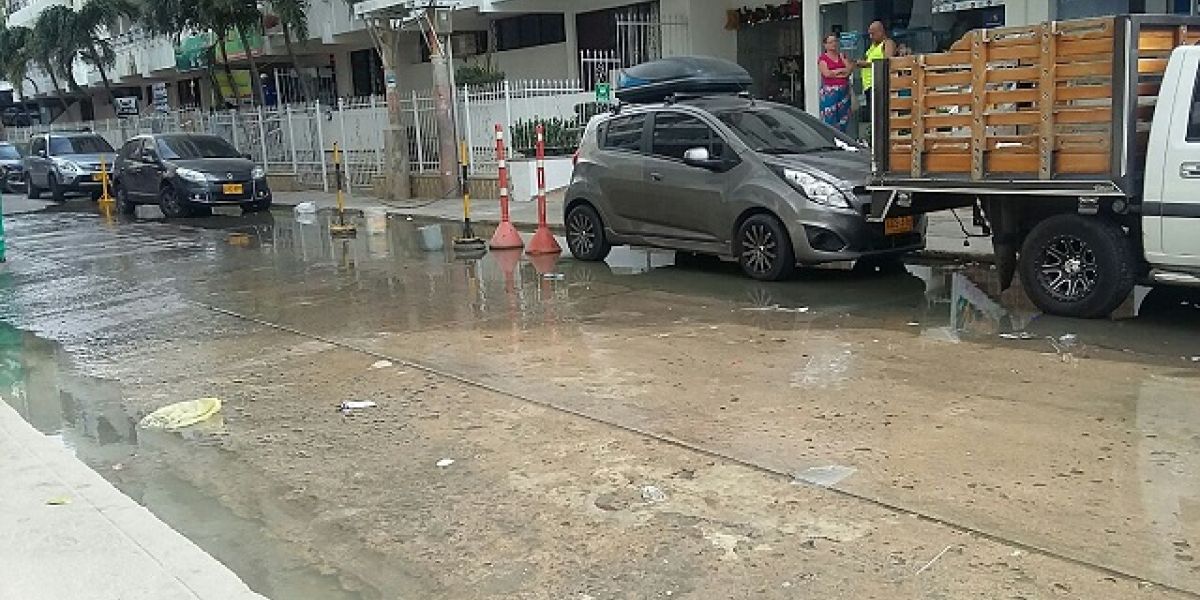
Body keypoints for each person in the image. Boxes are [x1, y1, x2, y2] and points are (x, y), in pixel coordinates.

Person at [857, 20, 896, 122]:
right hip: (868, 86)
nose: (871, 37)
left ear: (880, 32)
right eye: (869, 34)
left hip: (879, 84)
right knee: (873, 116)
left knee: (879, 116)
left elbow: (887, 61)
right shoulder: (872, 47)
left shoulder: (887, 43)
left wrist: (866, 64)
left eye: (873, 34)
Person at [817, 34, 853, 133]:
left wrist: (835, 72)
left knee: (844, 117)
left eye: (835, 41)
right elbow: (827, 74)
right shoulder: (823, 59)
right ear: (825, 45)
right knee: (830, 118)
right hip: (830, 92)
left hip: (843, 90)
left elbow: (849, 70)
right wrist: (841, 71)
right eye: (831, 42)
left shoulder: (842, 56)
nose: (834, 44)